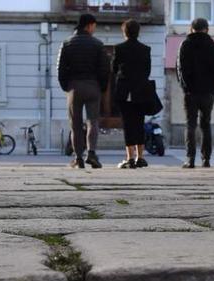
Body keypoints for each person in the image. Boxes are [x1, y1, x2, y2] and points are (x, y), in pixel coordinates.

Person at [57, 13, 108, 169]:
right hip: (93, 86)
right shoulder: (98, 44)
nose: (94, 29)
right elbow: (105, 69)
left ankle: (78, 158)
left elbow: (60, 69)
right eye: (94, 26)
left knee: (75, 125)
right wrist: (102, 87)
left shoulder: (66, 44)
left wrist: (66, 87)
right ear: (89, 25)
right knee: (93, 121)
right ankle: (91, 154)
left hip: (74, 87)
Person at [176, 17, 214, 169]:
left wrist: (186, 87)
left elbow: (180, 69)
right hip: (208, 92)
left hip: (191, 92)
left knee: (190, 124)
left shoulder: (185, 45)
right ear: (207, 29)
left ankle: (190, 159)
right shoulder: (213, 46)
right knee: (206, 125)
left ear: (191, 29)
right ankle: (206, 159)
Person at [111, 19, 152, 169]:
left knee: (128, 124)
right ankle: (140, 157)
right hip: (140, 90)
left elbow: (114, 69)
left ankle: (129, 157)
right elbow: (148, 71)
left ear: (124, 32)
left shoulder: (119, 48)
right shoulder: (146, 49)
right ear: (138, 32)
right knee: (139, 123)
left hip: (125, 91)